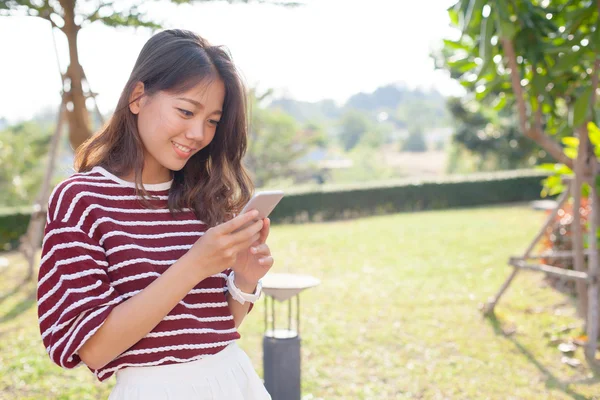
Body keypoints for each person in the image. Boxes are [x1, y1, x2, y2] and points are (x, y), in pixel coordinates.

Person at [36, 29, 274, 399]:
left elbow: (214, 328)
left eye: (212, 120)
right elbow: (95, 349)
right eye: (186, 111)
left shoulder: (204, 195)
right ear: (137, 97)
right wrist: (196, 263)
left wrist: (244, 279)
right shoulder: (82, 199)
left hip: (234, 379)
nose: (198, 133)